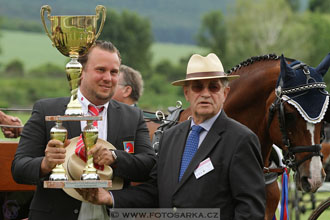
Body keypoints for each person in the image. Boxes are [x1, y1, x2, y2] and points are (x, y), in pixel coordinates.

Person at [82, 53, 266, 220]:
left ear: (225, 93)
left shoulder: (241, 140)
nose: (205, 94)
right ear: (187, 93)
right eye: (197, 87)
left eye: (213, 87)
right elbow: (154, 191)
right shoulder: (170, 137)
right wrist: (110, 197)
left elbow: (250, 211)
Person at [11, 40, 156, 220]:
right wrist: (45, 164)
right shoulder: (46, 110)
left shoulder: (133, 116)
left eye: (114, 72)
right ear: (80, 72)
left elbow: (149, 166)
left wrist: (115, 157)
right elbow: (18, 168)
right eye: (100, 70)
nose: (108, 78)